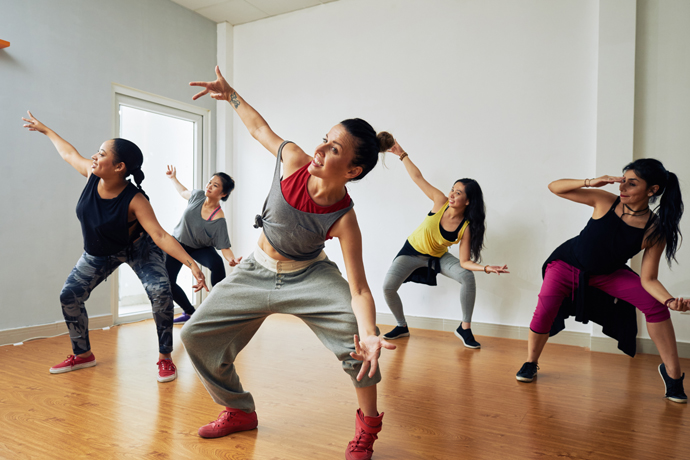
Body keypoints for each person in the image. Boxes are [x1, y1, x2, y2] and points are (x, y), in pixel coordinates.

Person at [180, 66, 396, 460]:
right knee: (194, 335)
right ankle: (239, 410)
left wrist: (368, 332)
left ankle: (368, 427)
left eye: (333, 149)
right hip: (257, 269)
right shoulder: (295, 160)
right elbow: (260, 129)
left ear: (352, 170)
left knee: (358, 346)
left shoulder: (344, 218)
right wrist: (230, 94)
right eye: (324, 140)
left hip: (309, 276)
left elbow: (360, 288)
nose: (320, 150)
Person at [22, 111, 208, 383]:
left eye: (101, 153)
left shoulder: (135, 199)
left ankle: (165, 357)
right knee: (69, 295)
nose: (94, 157)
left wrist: (192, 264)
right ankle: (83, 354)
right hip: (100, 252)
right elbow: (69, 154)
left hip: (139, 249)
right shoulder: (92, 176)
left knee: (160, 291)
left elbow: (159, 234)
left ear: (119, 167)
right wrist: (46, 130)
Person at [516, 159, 689, 404]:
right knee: (545, 309)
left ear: (653, 190)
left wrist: (670, 300)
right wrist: (591, 182)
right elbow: (555, 187)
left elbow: (649, 279)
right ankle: (531, 362)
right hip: (566, 265)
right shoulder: (605, 201)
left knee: (656, 306)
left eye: (632, 184)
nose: (623, 188)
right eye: (623, 181)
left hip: (608, 273)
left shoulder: (655, 230)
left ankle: (672, 376)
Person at [381, 141, 509, 348]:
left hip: (437, 257)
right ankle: (401, 326)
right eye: (453, 189)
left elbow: (465, 262)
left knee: (467, 277)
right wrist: (401, 154)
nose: (452, 194)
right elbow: (417, 178)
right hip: (411, 252)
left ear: (468, 201)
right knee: (387, 287)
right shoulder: (440, 201)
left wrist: (485, 268)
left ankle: (464, 328)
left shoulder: (466, 227)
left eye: (458, 193)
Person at [165, 166, 242, 323]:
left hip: (199, 248)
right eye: (209, 182)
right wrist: (173, 178)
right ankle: (189, 313)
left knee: (217, 263)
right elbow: (183, 192)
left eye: (215, 185)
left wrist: (231, 259)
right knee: (167, 280)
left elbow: (224, 247)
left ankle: (220, 309)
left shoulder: (218, 218)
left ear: (223, 194)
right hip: (178, 243)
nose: (209, 186)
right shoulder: (198, 196)